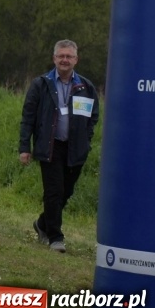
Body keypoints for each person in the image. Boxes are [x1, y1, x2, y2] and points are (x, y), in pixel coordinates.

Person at [19, 39, 99, 253]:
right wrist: (24, 147)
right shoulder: (41, 84)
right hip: (50, 146)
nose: (65, 60)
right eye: (61, 56)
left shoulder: (86, 87)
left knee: (66, 192)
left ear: (76, 60)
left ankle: (42, 224)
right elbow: (28, 117)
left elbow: (93, 117)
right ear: (54, 58)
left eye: (69, 56)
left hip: (75, 149)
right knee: (53, 192)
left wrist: (85, 138)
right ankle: (56, 237)